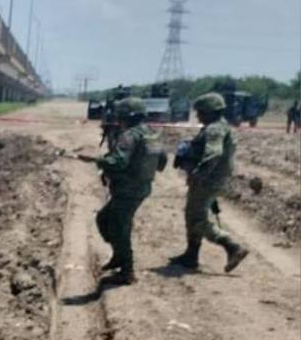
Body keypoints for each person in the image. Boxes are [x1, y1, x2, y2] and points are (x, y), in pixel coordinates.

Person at [79, 97, 162, 285]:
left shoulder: (129, 135)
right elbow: (162, 161)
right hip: (141, 187)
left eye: (120, 116)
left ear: (126, 116)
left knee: (119, 228)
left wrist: (97, 160)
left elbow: (119, 162)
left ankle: (127, 271)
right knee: (104, 219)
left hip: (128, 189)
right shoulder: (151, 134)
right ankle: (119, 257)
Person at [169, 92, 250, 272]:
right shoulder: (219, 127)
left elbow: (214, 153)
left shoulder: (214, 129)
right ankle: (191, 255)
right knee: (192, 214)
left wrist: (198, 174)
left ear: (210, 112)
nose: (198, 116)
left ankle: (233, 246)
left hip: (207, 180)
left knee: (198, 218)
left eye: (201, 112)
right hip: (212, 179)